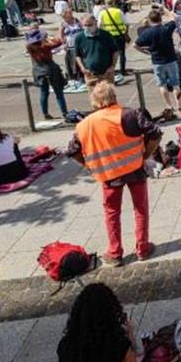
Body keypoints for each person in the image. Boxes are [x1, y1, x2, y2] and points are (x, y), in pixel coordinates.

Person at [67, 82, 158, 266]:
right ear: (114, 97)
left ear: (94, 101)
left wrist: (88, 165)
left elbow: (72, 150)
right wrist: (146, 154)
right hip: (135, 168)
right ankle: (143, 248)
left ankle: (115, 253)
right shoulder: (130, 114)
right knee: (140, 209)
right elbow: (155, 133)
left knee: (111, 213)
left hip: (108, 175)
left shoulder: (84, 125)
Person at [135, 9, 181, 117]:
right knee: (175, 84)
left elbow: (135, 45)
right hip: (171, 59)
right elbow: (174, 17)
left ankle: (169, 106)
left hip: (157, 61)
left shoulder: (147, 32)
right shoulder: (166, 28)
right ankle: (179, 104)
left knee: (162, 85)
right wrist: (166, 11)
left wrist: (145, 52)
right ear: (160, 19)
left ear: (150, 20)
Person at [25, 28, 69, 120]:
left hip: (39, 70)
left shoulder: (30, 47)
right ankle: (64, 112)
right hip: (50, 69)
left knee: (44, 93)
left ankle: (45, 113)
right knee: (59, 92)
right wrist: (48, 38)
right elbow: (58, 42)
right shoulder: (45, 46)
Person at [73, 14, 118, 87]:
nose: (88, 27)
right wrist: (83, 68)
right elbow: (78, 55)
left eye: (90, 25)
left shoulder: (106, 35)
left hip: (106, 73)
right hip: (90, 74)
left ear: (95, 23)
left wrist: (112, 66)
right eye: (85, 25)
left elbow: (115, 51)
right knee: (94, 97)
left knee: (109, 97)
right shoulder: (79, 38)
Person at [98, 0, 130, 75]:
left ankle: (111, 70)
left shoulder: (102, 13)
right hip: (119, 36)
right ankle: (123, 70)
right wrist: (125, 32)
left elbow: (99, 26)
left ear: (106, 5)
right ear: (114, 4)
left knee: (109, 54)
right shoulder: (119, 11)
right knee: (122, 53)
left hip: (108, 37)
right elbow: (127, 23)